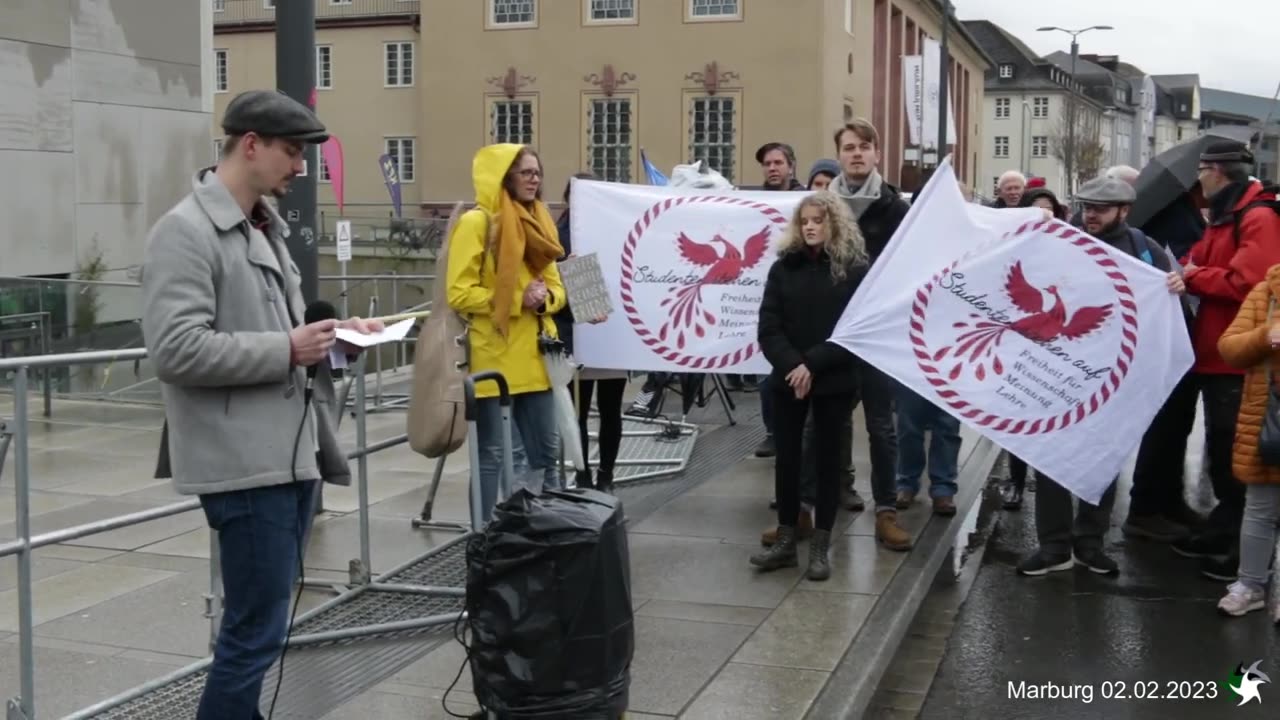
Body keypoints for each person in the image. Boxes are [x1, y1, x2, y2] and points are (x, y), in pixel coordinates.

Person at [141, 89, 383, 719]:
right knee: (253, 635)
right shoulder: (185, 233)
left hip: (288, 455)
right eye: (291, 151)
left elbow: (293, 344)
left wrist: (339, 344)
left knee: (262, 631)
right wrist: (287, 348)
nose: (301, 166)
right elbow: (176, 351)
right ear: (250, 144)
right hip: (244, 463)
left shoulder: (263, 228)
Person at [1016, 175, 1184, 577]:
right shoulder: (1062, 241)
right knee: (1051, 458)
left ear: (1124, 211)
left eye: (1100, 209)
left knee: (1103, 459)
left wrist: (1175, 286)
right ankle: (1053, 546)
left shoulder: (1145, 251)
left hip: (1113, 376)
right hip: (1058, 370)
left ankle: (1089, 543)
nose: (1089, 215)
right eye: (1085, 207)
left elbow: (1169, 311)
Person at [1174, 141, 1280, 582]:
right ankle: (1225, 527)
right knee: (1221, 448)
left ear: (1217, 171)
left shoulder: (1256, 216)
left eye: (1201, 171)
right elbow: (1195, 260)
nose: (1197, 180)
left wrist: (1193, 277)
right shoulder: (1229, 214)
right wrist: (1186, 268)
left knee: (1238, 453)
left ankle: (1244, 551)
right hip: (1216, 352)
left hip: (1238, 358)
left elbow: (1249, 282)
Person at [751, 191, 869, 581]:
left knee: (827, 462)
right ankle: (786, 539)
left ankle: (820, 544)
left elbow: (854, 331)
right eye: (805, 221)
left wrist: (812, 365)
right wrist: (794, 366)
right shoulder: (784, 268)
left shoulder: (852, 269)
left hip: (833, 380)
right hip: (789, 380)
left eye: (819, 219)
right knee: (787, 460)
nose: (811, 226)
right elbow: (769, 328)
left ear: (834, 223)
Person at [447, 143, 567, 520]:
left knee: (548, 452)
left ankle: (543, 529)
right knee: (492, 456)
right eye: (526, 172)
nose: (535, 179)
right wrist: (519, 300)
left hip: (536, 358)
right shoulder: (477, 223)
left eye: (537, 172)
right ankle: (483, 538)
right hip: (494, 360)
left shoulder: (540, 222)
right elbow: (459, 292)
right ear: (504, 177)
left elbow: (557, 288)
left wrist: (545, 298)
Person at [830, 119, 913, 550]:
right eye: (849, 147)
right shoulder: (822, 206)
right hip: (832, 331)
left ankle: (886, 510)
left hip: (878, 333)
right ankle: (837, 489)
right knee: (831, 420)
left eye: (864, 146)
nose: (857, 153)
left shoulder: (896, 208)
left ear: (877, 153)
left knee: (881, 426)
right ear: (839, 154)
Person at [1215, 266, 1280, 620]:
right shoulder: (1265, 291)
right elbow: (1229, 348)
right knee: (1260, 509)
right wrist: (1266, 335)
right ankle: (1250, 586)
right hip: (1268, 418)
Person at [554, 172, 624, 493]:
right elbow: (546, 290)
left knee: (611, 410)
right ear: (569, 199)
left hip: (611, 336)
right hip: (575, 337)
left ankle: (606, 476)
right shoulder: (555, 237)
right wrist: (562, 270)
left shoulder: (613, 230)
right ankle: (582, 475)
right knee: (577, 414)